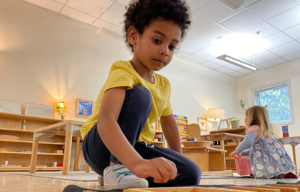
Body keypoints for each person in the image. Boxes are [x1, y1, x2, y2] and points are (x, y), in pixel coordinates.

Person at [80, 0, 201, 190]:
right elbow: (106, 120)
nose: (164, 51)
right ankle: (116, 169)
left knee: (192, 172)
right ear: (134, 36)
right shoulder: (123, 70)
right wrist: (136, 163)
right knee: (141, 95)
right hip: (99, 147)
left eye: (172, 46)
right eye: (157, 41)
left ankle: (123, 172)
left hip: (133, 147)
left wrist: (176, 162)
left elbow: (170, 126)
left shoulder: (164, 85)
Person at [229, 105, 296, 179]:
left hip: (266, 166)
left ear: (251, 118)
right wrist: (243, 153)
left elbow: (248, 141)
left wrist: (237, 150)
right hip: (274, 163)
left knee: (264, 175)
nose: (245, 118)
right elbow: (258, 150)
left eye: (246, 116)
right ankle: (278, 175)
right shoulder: (263, 131)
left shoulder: (253, 129)